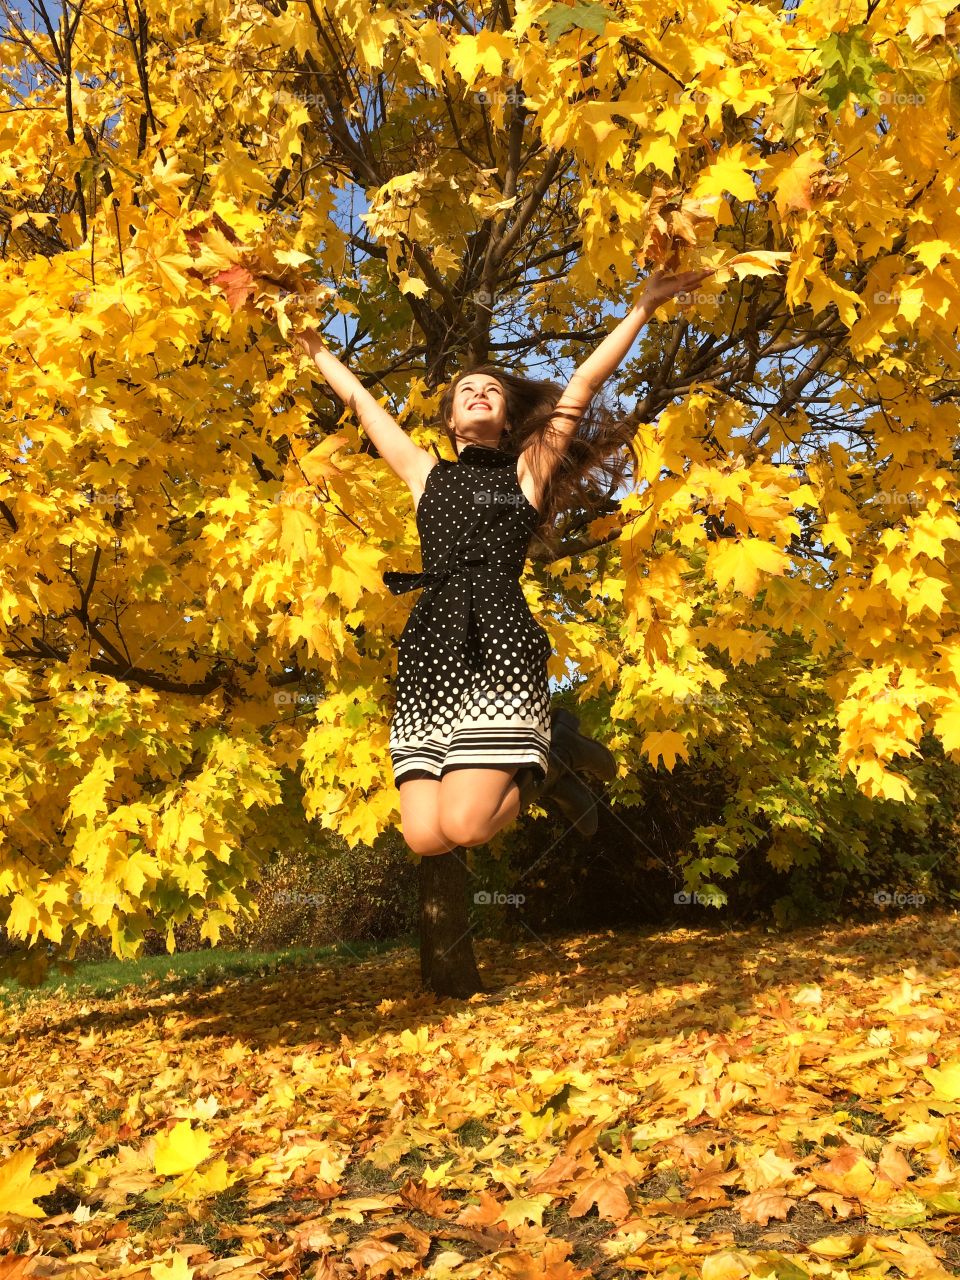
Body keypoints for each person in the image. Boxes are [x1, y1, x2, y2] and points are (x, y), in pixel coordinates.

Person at [290, 265, 715, 855]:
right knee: (425, 839)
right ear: (449, 421)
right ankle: (554, 756)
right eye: (467, 389)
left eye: (490, 389)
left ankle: (556, 756)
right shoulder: (423, 473)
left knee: (467, 825)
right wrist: (313, 345)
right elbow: (361, 402)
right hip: (430, 645)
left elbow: (583, 384)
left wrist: (642, 306)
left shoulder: (526, 472)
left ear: (509, 419)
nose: (480, 392)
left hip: (499, 640)